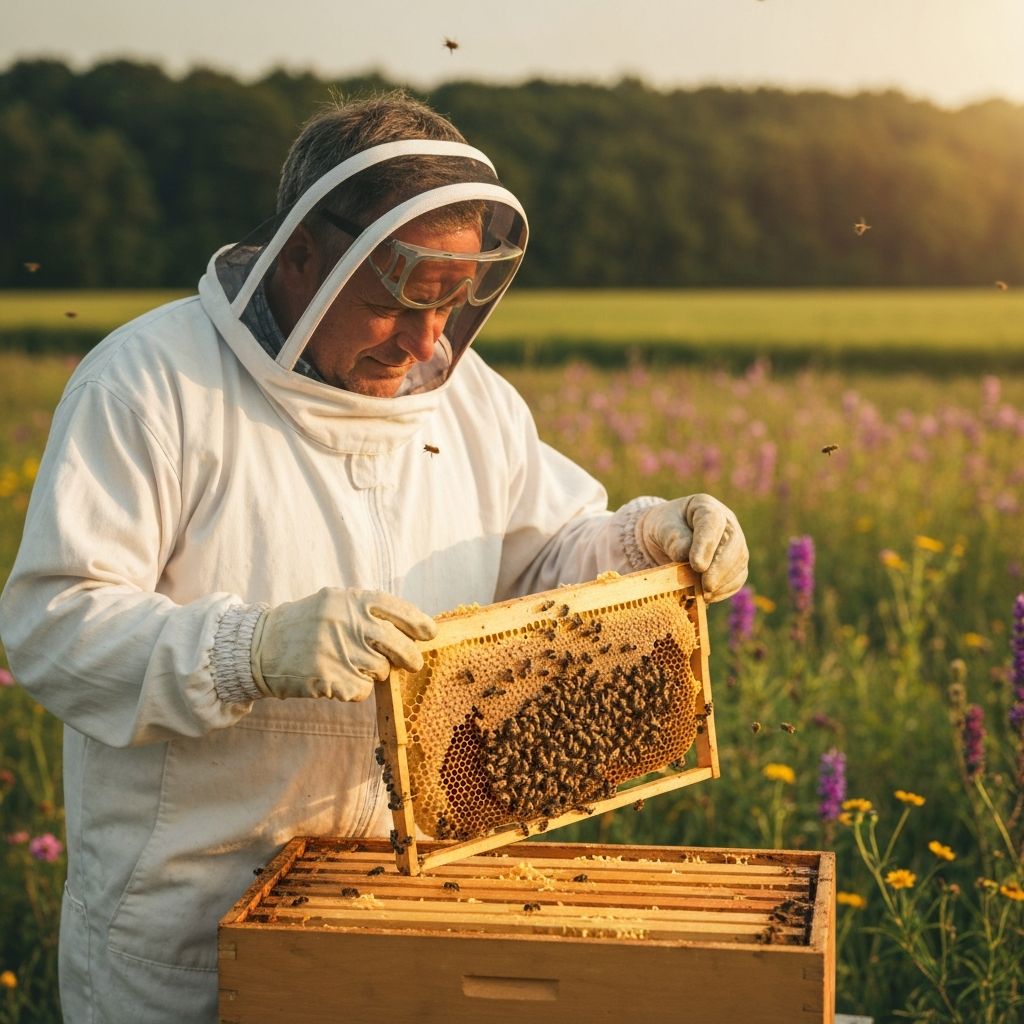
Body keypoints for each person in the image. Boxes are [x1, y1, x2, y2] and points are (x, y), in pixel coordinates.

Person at [0, 92, 748, 1023]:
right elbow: (53, 624)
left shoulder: (472, 402)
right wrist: (249, 649)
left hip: (409, 905)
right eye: (398, 298)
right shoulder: (153, 386)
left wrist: (649, 539)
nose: (429, 339)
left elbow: (546, 558)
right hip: (188, 934)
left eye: (452, 302)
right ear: (304, 254)